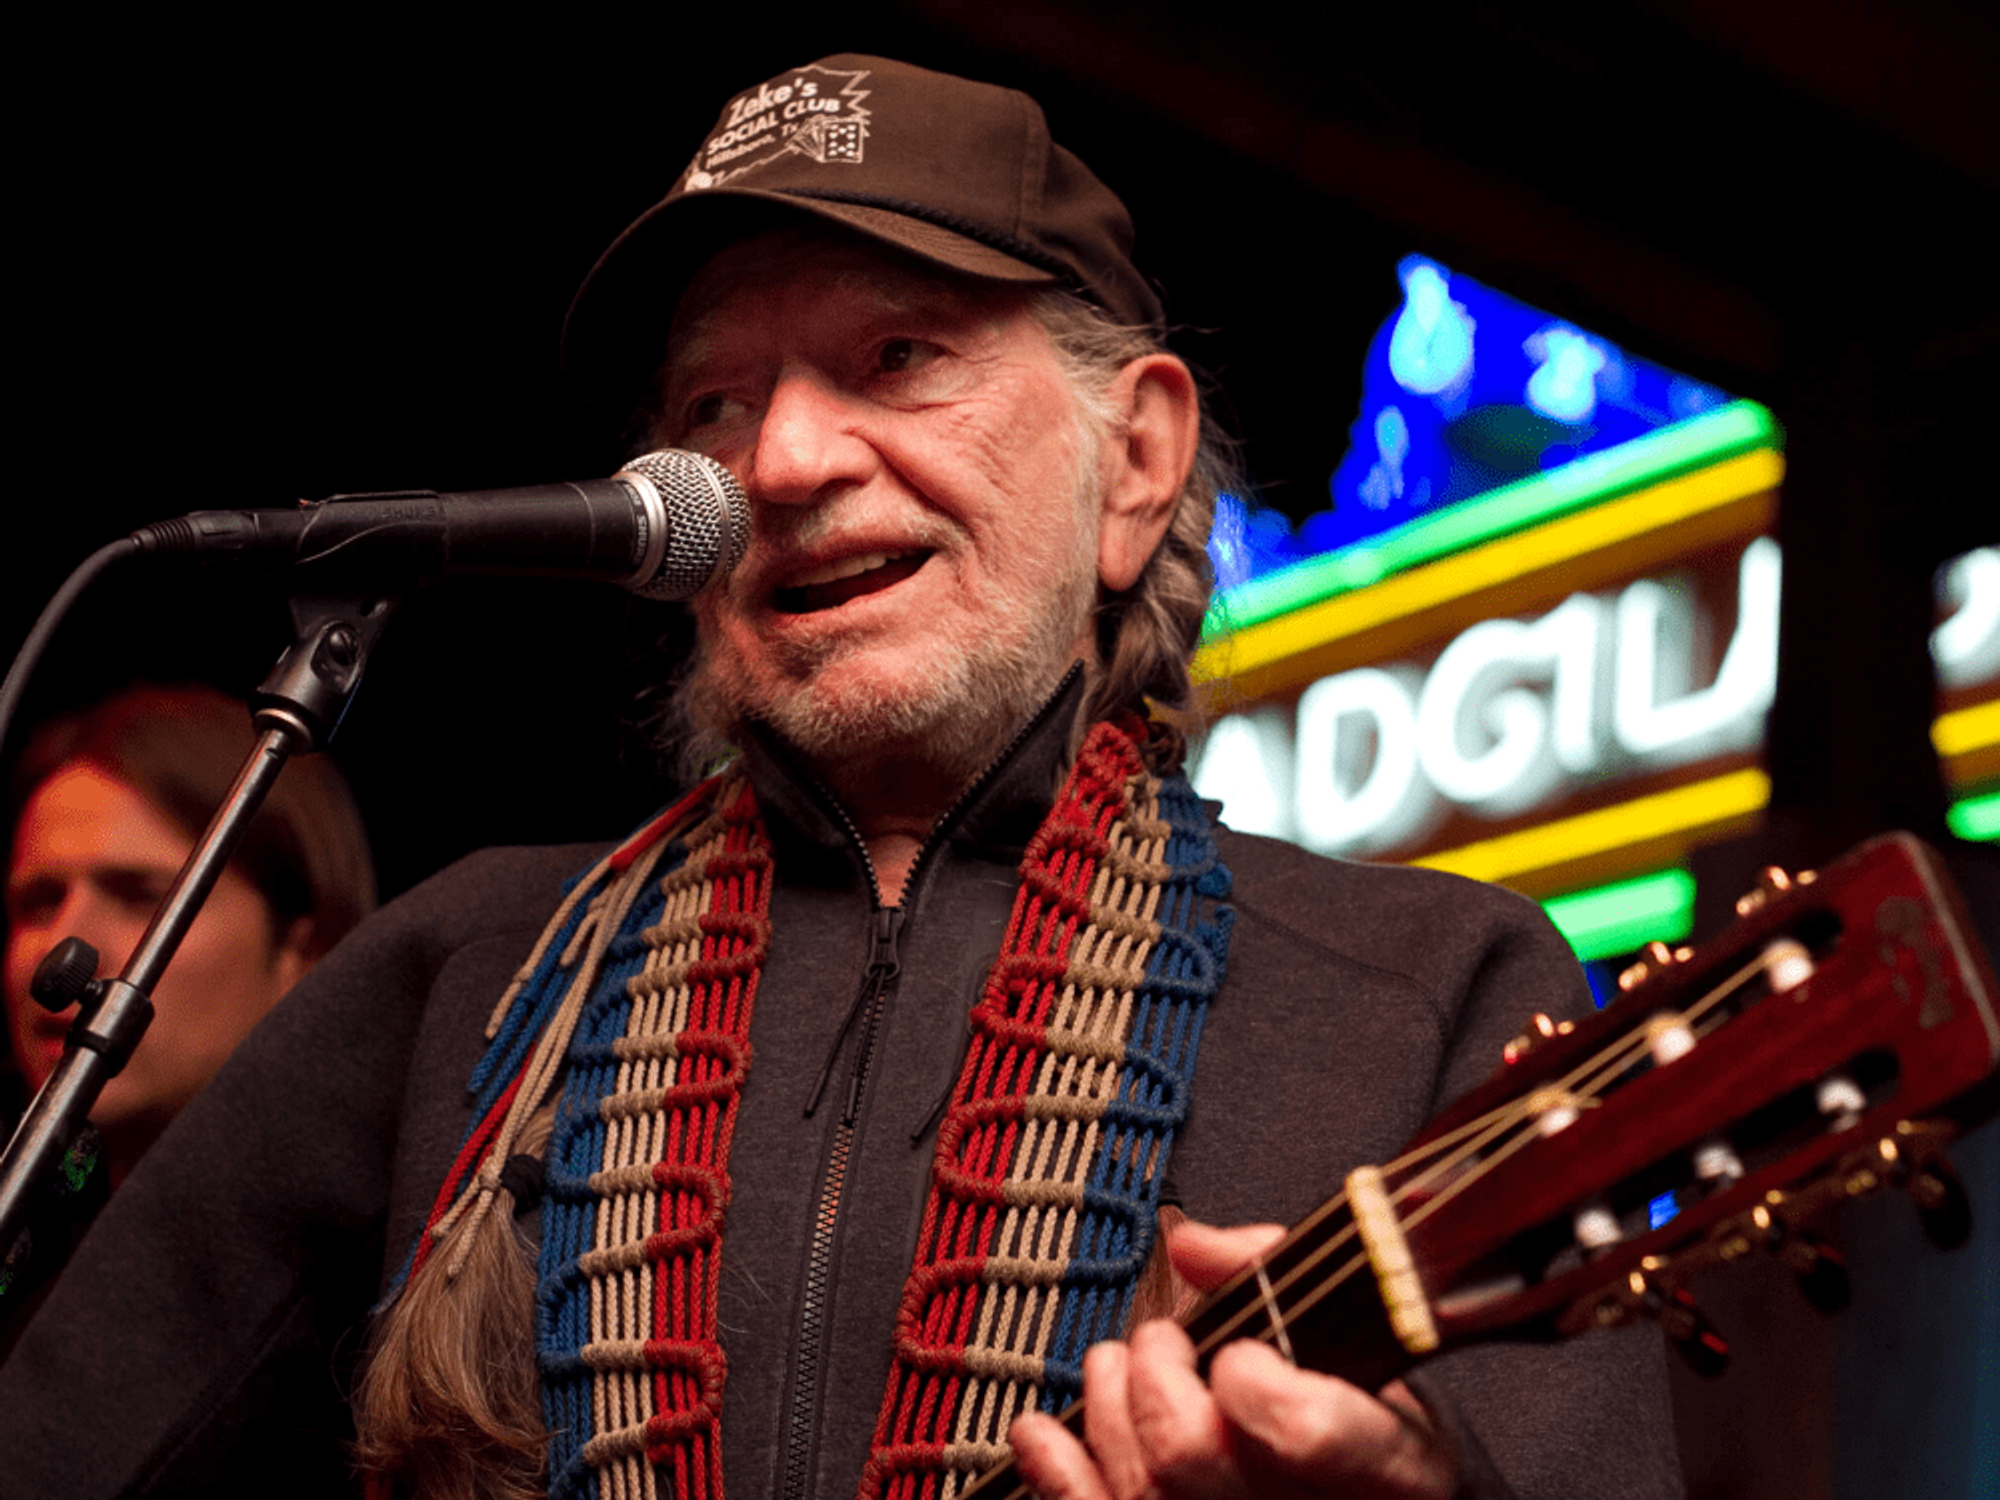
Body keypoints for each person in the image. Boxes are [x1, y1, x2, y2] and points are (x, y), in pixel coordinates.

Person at [0, 57, 1680, 1500]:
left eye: (899, 357)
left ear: (1138, 461)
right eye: (714, 404)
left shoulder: (1435, 990)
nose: (786, 461)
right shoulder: (462, 967)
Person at [1, 684, 375, 1332]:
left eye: (140, 895)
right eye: (39, 901)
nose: (65, 947)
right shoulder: (37, 1294)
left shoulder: (364, 1287)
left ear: (303, 950)